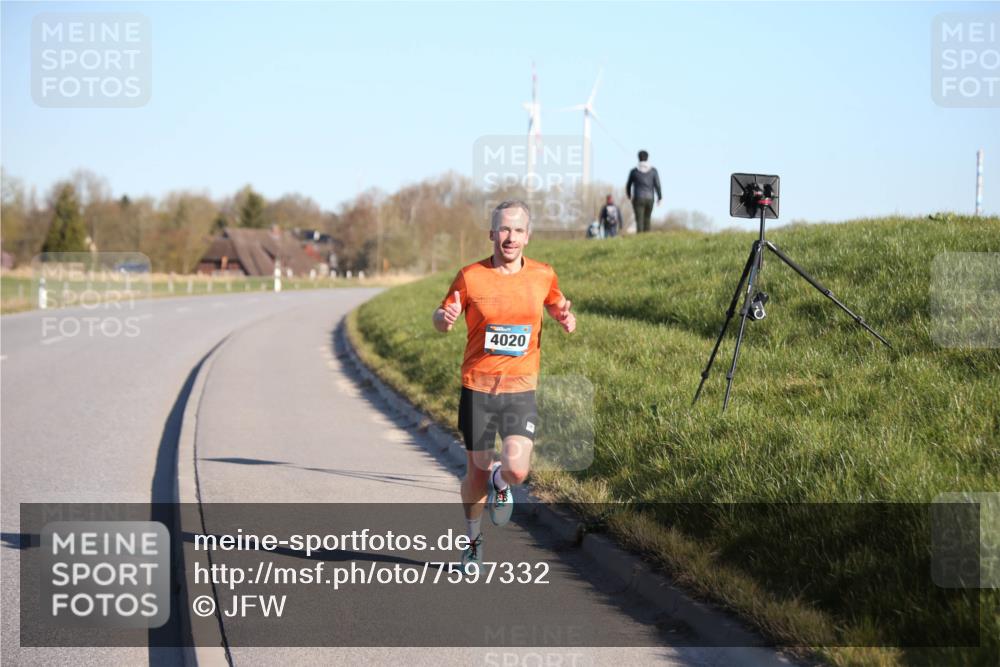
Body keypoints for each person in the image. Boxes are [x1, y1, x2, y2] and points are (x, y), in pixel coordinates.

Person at [432, 200, 576, 570]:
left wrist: (564, 316)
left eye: (517, 230)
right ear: (492, 234)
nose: (509, 237)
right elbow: (441, 315)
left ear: (527, 236)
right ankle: (473, 540)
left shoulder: (543, 275)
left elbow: (558, 303)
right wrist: (444, 319)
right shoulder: (470, 276)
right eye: (503, 230)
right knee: (475, 470)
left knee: (517, 470)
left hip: (520, 387)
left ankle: (502, 480)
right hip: (478, 387)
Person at [625, 150, 662, 233]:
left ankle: (640, 236)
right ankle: (647, 236)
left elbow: (628, 185)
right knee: (647, 218)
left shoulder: (634, 171)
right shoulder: (653, 171)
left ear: (638, 158)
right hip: (650, 198)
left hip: (638, 198)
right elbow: (657, 185)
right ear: (647, 158)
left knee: (639, 219)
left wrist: (629, 195)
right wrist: (660, 197)